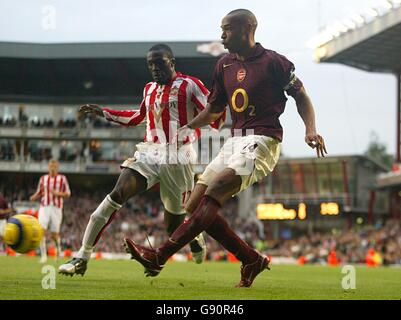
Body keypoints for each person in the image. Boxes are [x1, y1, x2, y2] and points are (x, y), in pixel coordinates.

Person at [123, 9, 327, 288]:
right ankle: (250, 258)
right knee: (192, 204)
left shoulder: (274, 62)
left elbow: (300, 95)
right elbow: (213, 110)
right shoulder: (223, 65)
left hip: (263, 140)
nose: (221, 36)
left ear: (247, 29)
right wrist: (186, 127)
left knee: (217, 187)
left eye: (227, 29)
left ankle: (160, 255)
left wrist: (310, 129)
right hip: (234, 142)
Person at [58, 44, 223, 276]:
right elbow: (138, 117)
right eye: (150, 64)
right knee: (116, 194)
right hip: (149, 152)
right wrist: (104, 112)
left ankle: (195, 236)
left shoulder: (190, 85)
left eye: (159, 62)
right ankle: (82, 256)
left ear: (171, 62)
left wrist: (210, 120)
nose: (154, 68)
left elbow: (215, 112)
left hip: (179, 157)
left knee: (173, 226)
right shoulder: (149, 89)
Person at [30, 159, 71, 263]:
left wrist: (56, 193)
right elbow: (39, 192)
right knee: (41, 230)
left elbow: (67, 194)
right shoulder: (43, 179)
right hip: (44, 206)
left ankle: (58, 252)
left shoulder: (62, 179)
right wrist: (34, 196)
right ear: (48, 167)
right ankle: (43, 255)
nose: (52, 168)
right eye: (51, 166)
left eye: (54, 166)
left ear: (57, 167)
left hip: (56, 208)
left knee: (54, 234)